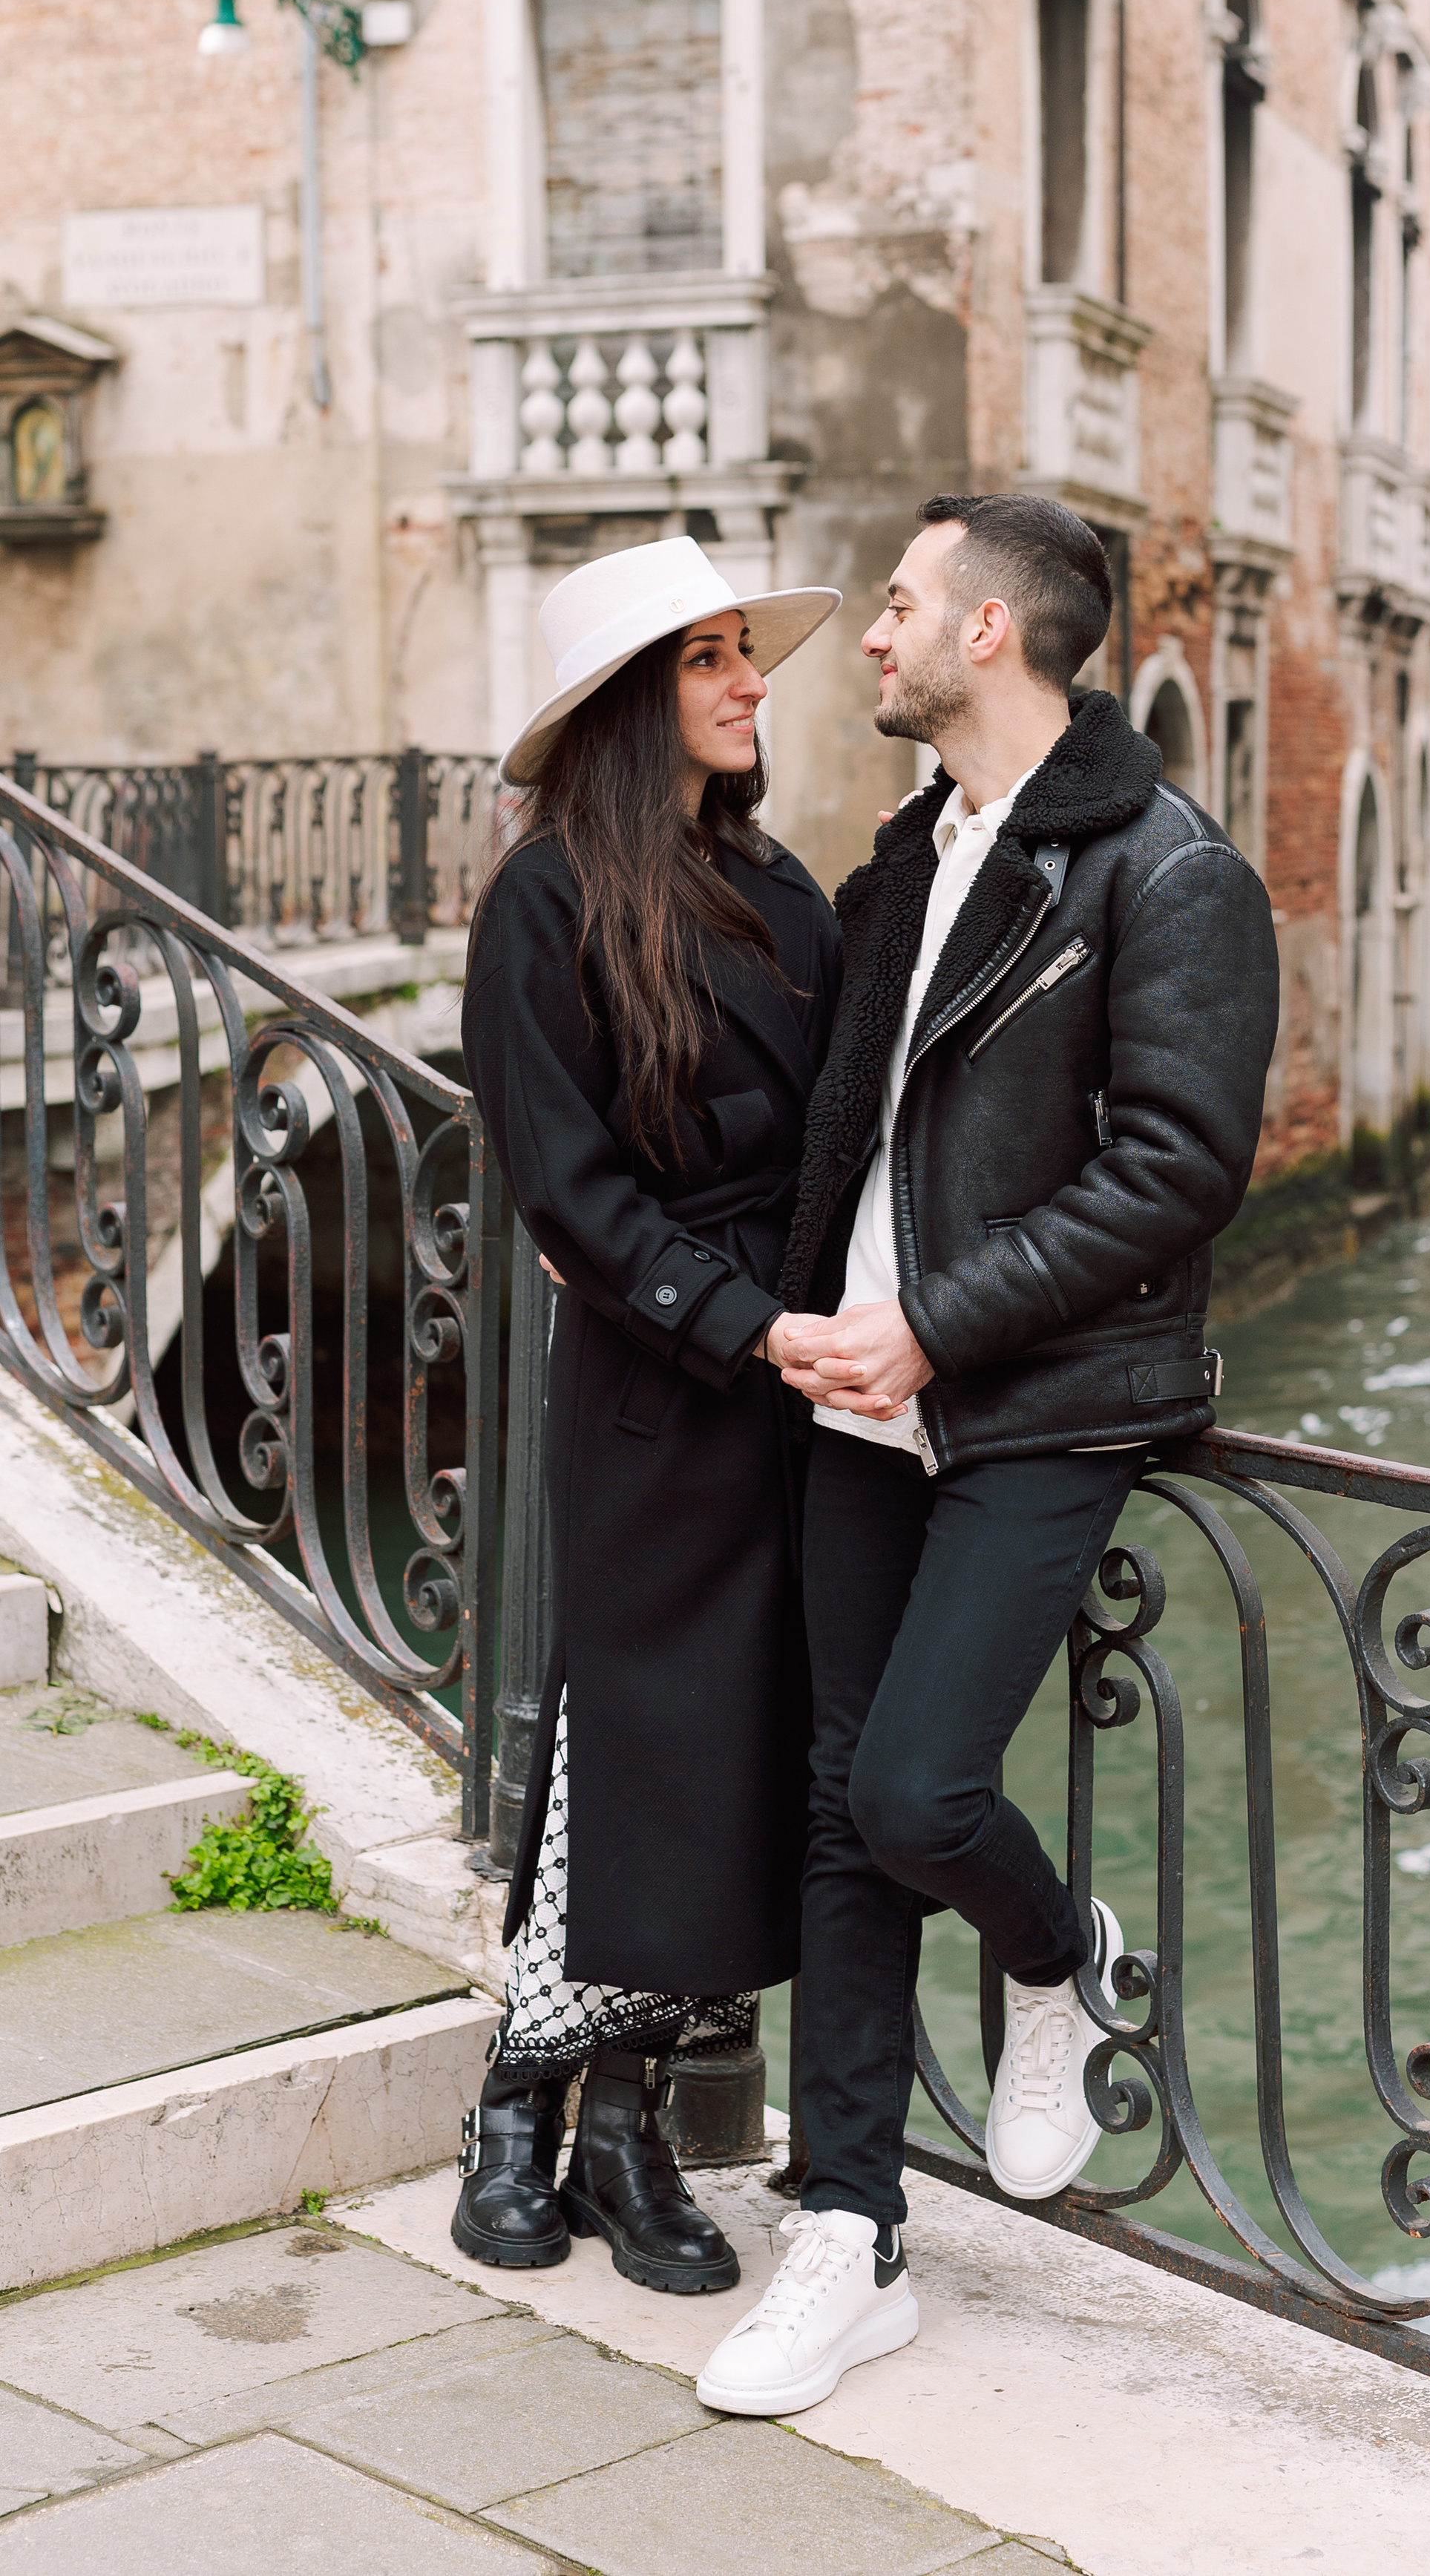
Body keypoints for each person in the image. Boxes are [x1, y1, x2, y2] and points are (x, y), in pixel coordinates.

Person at [695, 494, 1279, 2416]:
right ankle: (845, 2237)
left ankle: (1060, 1951)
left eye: (901, 602)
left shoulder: (1166, 873)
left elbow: (1180, 1168)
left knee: (922, 1795)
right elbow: (847, 1142)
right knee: (839, 1814)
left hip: (1039, 1401)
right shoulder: (903, 865)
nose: (872, 634)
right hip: (860, 1406)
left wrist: (942, 1323)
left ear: (997, 636)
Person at [455, 534, 843, 2295]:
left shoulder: (792, 894)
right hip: (659, 1372)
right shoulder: (540, 906)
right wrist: (743, 1326)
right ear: (632, 702)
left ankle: (621, 2127)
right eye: (707, 658)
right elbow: (567, 1188)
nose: (751, 676)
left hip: (795, 1382)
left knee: (734, 1768)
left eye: (742, 651)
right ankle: (517, 2111)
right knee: (626, 1759)